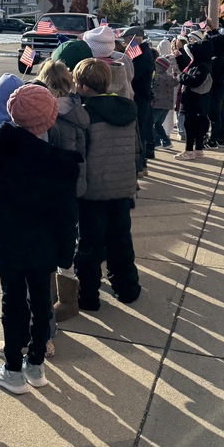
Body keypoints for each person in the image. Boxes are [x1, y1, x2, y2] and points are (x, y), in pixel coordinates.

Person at [0, 84, 81, 393]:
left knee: (13, 300)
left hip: (8, 239)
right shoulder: (62, 164)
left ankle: (12, 367)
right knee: (41, 300)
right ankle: (35, 365)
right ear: (50, 118)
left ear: (11, 113)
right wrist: (65, 254)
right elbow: (67, 216)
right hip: (44, 245)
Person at [70, 58, 140, 310]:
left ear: (85, 87)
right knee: (120, 240)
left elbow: (81, 155)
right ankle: (128, 288)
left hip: (93, 192)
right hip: (122, 187)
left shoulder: (84, 114)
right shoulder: (128, 109)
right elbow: (136, 150)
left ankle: (88, 296)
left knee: (89, 245)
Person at [34, 58, 89, 321]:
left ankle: (54, 302)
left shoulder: (49, 116)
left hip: (51, 192)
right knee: (69, 243)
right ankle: (68, 299)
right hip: (75, 187)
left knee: (49, 246)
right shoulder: (78, 110)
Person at [174, 32, 213, 161]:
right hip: (196, 101)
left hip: (195, 101)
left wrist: (180, 77)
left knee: (191, 126)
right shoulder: (198, 64)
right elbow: (187, 71)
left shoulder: (202, 66)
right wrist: (179, 59)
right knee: (196, 126)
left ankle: (189, 151)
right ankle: (198, 149)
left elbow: (195, 81)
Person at [121, 26, 155, 173]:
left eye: (127, 40)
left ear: (133, 39)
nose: (125, 44)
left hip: (140, 97)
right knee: (140, 131)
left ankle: (140, 165)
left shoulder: (143, 55)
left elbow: (133, 74)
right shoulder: (143, 52)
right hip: (142, 96)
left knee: (138, 132)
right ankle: (142, 164)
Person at [206, 20, 224, 149]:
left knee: (214, 114)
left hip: (215, 87)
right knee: (221, 112)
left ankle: (213, 139)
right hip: (222, 86)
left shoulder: (215, 60)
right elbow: (219, 39)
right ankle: (221, 138)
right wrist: (212, 29)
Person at [151, 56, 178, 148]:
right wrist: (174, 74)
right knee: (158, 124)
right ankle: (163, 142)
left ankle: (160, 141)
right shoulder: (169, 78)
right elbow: (176, 82)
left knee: (151, 123)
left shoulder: (156, 77)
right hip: (167, 106)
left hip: (157, 104)